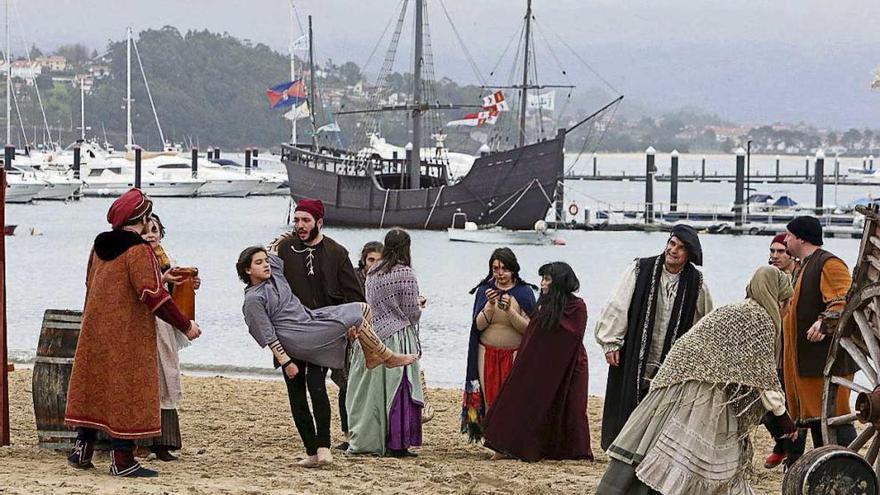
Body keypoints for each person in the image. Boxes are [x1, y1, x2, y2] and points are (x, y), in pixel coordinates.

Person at [596, 266, 798, 495]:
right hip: (705, 392)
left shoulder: (737, 309)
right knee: (703, 460)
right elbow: (764, 380)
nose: (788, 310)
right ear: (777, 298)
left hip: (680, 381)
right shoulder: (760, 319)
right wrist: (784, 420)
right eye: (787, 302)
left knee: (662, 446)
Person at [65, 188, 201, 477]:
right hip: (127, 333)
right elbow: (154, 297)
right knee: (127, 390)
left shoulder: (99, 245)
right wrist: (186, 325)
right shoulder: (138, 250)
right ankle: (123, 461)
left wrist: (163, 277)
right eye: (147, 216)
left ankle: (82, 449)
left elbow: (93, 284)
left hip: (95, 327)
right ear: (140, 218)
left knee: (96, 387)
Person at [238, 246, 416, 467]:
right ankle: (385, 357)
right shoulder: (254, 299)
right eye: (258, 263)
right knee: (299, 399)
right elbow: (267, 333)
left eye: (265, 260)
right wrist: (286, 361)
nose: (265, 264)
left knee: (362, 309)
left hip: (312, 322)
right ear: (247, 270)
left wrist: (282, 240)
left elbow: (276, 248)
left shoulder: (275, 276)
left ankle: (373, 356)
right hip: (296, 339)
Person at [594, 224, 713, 450]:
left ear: (689, 254)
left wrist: (698, 358)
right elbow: (618, 304)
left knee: (663, 403)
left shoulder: (696, 283)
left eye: (680, 248)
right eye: (671, 244)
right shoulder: (641, 269)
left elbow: (703, 322)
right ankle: (622, 447)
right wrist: (611, 342)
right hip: (635, 349)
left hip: (671, 356)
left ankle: (655, 449)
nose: (673, 250)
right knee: (628, 396)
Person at [271, 198, 365, 455]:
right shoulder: (284, 248)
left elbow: (355, 297)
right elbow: (265, 282)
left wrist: (352, 326)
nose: (300, 225)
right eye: (297, 220)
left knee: (316, 385)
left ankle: (323, 447)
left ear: (319, 223)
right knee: (296, 391)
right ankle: (311, 450)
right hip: (290, 332)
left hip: (324, 332)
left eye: (306, 220)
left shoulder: (337, 252)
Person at [482, 262, 591, 462]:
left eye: (547, 279)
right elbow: (534, 337)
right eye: (542, 278)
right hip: (539, 364)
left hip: (570, 363)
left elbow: (572, 336)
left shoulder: (577, 306)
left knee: (573, 406)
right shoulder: (544, 305)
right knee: (522, 401)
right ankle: (506, 445)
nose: (542, 284)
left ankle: (571, 450)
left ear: (559, 281)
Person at [782, 216, 857, 464]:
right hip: (808, 365)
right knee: (817, 421)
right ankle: (825, 471)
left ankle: (849, 469)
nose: (786, 239)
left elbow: (844, 299)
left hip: (825, 363)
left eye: (789, 235)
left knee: (834, 418)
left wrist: (824, 322)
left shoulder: (829, 263)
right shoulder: (805, 265)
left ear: (801, 238)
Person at [346, 228, 425, 457]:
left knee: (371, 392)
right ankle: (396, 443)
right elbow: (411, 311)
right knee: (398, 388)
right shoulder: (405, 273)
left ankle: (368, 440)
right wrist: (419, 308)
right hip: (398, 335)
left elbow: (372, 304)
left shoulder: (373, 272)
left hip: (372, 335)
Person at [135, 215, 201, 462]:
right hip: (144, 325)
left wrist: (188, 285)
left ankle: (164, 443)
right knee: (147, 380)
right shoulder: (137, 259)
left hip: (164, 326)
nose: (151, 235)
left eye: (155, 230)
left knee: (166, 377)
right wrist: (163, 281)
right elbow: (142, 290)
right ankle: (140, 443)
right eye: (146, 231)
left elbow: (171, 294)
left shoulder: (167, 260)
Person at [461, 247, 536, 442]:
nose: (500, 274)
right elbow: (478, 325)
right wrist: (490, 307)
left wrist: (510, 312)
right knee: (488, 396)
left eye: (504, 269)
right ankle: (492, 437)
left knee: (513, 398)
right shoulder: (484, 291)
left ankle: (511, 439)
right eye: (495, 269)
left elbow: (530, 329)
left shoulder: (524, 292)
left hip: (514, 354)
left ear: (513, 269)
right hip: (486, 353)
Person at [762, 232, 801, 469]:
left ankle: (792, 454)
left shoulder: (799, 279)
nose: (775, 256)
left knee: (792, 405)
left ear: (792, 255)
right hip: (772, 349)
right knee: (766, 404)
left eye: (781, 251)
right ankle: (781, 442)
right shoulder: (767, 279)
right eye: (772, 251)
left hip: (791, 350)